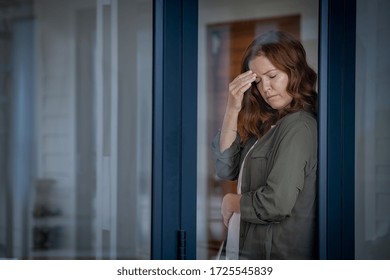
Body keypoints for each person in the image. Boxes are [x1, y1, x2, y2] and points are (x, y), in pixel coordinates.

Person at [212, 30, 318, 260]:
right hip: (241, 250)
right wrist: (232, 109)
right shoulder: (268, 124)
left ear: (294, 72)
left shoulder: (299, 126)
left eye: (272, 76)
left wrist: (233, 201)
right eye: (258, 81)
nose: (265, 88)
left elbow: (276, 202)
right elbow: (225, 168)